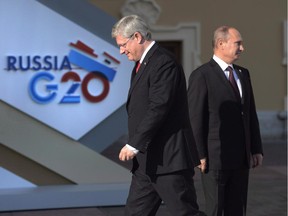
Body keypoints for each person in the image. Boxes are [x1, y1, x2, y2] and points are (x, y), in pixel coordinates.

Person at [111, 15, 203, 216]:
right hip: (146, 163)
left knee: (185, 213)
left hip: (169, 160)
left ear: (137, 37)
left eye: (123, 44)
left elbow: (158, 107)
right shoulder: (142, 65)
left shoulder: (163, 62)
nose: (121, 50)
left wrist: (134, 143)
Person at [187, 25, 264, 216]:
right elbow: (195, 117)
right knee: (215, 209)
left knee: (237, 210)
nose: (242, 48)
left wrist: (256, 148)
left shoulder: (243, 74)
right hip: (215, 160)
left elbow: (249, 113)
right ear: (221, 44)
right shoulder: (201, 75)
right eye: (238, 43)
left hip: (241, 158)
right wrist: (199, 154)